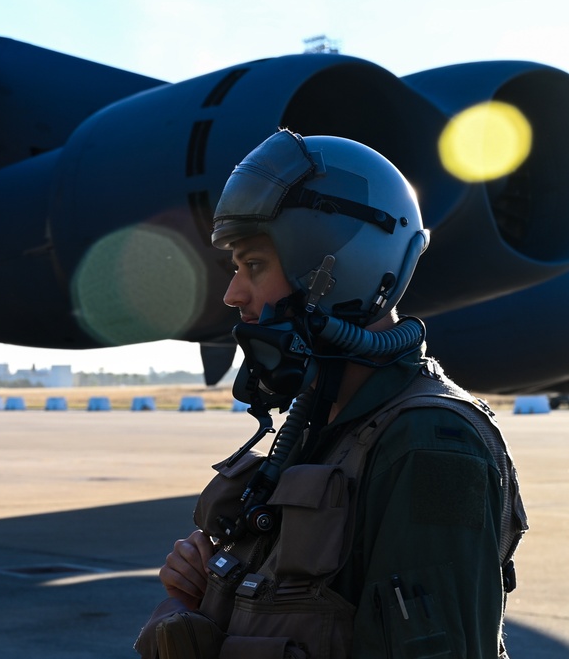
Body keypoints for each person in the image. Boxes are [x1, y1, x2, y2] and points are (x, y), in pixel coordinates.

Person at [135, 130, 527, 659]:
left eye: (254, 266)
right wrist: (203, 593)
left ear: (334, 270)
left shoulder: (429, 443)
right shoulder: (324, 426)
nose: (234, 295)